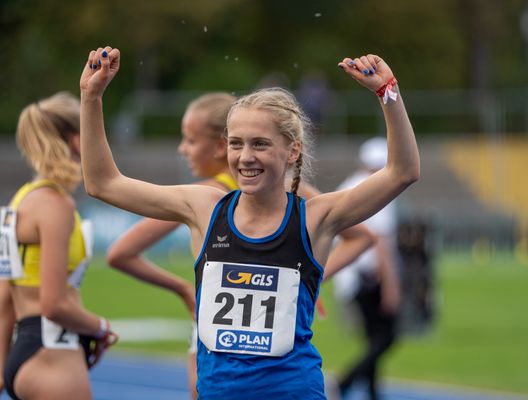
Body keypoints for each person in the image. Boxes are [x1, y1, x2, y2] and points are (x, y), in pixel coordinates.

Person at [79, 46, 419, 399]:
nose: (245, 157)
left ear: (293, 151)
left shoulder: (315, 217)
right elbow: (103, 183)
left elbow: (402, 172)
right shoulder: (204, 208)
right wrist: (91, 97)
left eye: (260, 144)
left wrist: (387, 92)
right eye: (236, 144)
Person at [106, 92, 375, 399]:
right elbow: (107, 190)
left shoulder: (280, 190)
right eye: (238, 142)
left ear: (217, 144)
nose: (183, 149)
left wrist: (305, 279)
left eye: (190, 140)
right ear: (229, 145)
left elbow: (120, 252)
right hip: (221, 352)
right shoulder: (204, 203)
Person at [0, 92, 118, 400]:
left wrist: (3, 368)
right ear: (78, 141)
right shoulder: (56, 205)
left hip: (27, 353)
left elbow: (4, 300)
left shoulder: (21, 199)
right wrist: (101, 327)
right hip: (53, 353)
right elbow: (54, 304)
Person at [332, 136, 402, 400]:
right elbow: (380, 244)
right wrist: (391, 286)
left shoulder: (348, 184)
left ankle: (372, 391)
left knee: (374, 338)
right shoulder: (377, 190)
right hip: (367, 277)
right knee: (386, 337)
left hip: (347, 275)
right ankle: (345, 381)